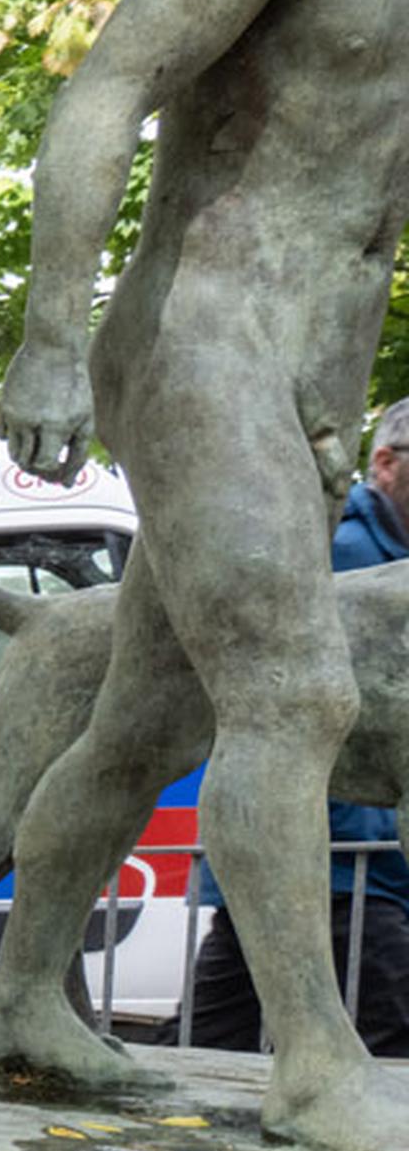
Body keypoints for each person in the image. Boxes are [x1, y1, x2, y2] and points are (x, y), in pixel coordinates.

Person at [0, 0, 409, 1151]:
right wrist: (52, 336)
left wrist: (338, 382)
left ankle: (19, 1001)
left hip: (302, 369)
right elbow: (108, 85)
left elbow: (366, 193)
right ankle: (313, 1063)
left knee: (144, 725)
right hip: (198, 335)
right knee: (297, 692)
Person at [183, 396, 409, 1055]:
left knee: (216, 1035)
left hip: (331, 865)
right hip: (339, 863)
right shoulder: (340, 551)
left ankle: (178, 1113)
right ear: (386, 463)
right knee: (388, 1037)